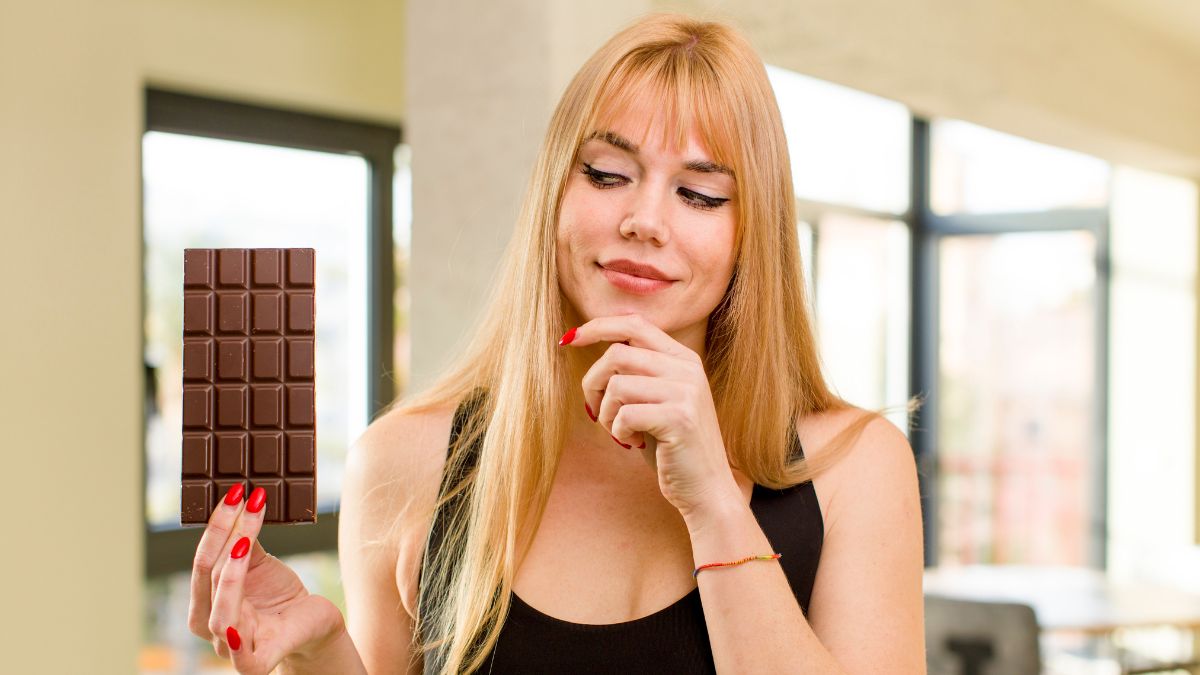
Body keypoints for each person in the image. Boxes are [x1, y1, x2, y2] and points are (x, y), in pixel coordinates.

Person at [187, 11, 926, 674]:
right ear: (554, 192)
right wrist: (317, 656)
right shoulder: (404, 461)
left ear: (750, 232)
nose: (645, 218)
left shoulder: (853, 469)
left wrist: (716, 506)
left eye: (699, 193)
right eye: (608, 173)